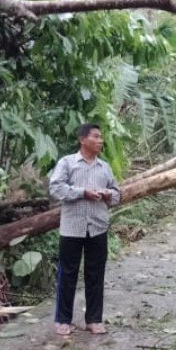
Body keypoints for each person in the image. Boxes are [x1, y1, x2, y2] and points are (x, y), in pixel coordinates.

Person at [48, 123, 120, 337]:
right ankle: (63, 320)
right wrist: (82, 192)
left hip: (98, 227)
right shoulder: (67, 163)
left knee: (96, 274)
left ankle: (94, 320)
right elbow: (55, 188)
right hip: (72, 228)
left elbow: (118, 194)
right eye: (96, 137)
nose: (100, 140)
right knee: (67, 274)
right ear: (82, 139)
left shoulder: (104, 167)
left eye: (101, 137)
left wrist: (108, 194)